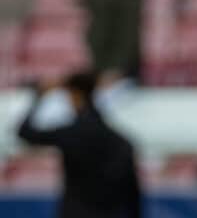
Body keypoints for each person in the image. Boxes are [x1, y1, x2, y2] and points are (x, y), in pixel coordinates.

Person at [17, 71, 141, 218]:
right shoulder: (121, 142)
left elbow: (25, 132)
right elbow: (133, 196)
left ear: (75, 95)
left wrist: (39, 97)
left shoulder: (69, 133)